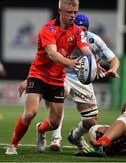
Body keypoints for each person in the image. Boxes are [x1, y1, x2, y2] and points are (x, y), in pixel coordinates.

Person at [5, 0, 93, 155]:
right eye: (69, 12)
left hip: (58, 79)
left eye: (75, 12)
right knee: (30, 112)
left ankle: (41, 129)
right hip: (39, 74)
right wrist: (71, 63)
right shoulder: (48, 29)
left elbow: (86, 51)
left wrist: (94, 64)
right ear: (60, 10)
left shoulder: (77, 31)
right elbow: (52, 54)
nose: (72, 15)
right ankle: (13, 145)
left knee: (53, 123)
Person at [18, 14, 120, 152]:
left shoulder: (93, 40)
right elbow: (45, 62)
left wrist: (113, 69)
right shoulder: (62, 36)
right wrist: (29, 80)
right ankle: (56, 138)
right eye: (78, 28)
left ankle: (75, 136)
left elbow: (113, 59)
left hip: (82, 80)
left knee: (91, 121)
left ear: (87, 30)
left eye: (83, 29)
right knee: (60, 94)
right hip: (61, 75)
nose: (80, 32)